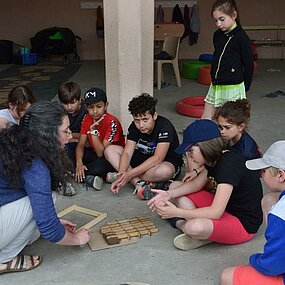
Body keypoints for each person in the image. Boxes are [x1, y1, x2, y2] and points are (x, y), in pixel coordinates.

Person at [0, 101, 90, 275]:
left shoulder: (15, 142)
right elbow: (49, 227)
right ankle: (4, 259)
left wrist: (51, 220)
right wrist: (76, 239)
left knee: (40, 206)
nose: (70, 136)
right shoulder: (34, 164)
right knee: (44, 201)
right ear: (47, 135)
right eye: (65, 131)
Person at [148, 119, 263, 250]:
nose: (189, 156)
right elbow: (197, 184)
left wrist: (176, 212)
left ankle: (180, 223)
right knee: (174, 186)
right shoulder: (215, 157)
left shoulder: (229, 164)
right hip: (226, 208)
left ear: (205, 146)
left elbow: (215, 213)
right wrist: (168, 194)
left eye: (191, 151)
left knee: (194, 227)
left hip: (242, 224)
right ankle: (207, 233)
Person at [221, 141, 285, 285]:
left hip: (277, 265)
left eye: (263, 170)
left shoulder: (280, 213)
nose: (261, 175)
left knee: (227, 276)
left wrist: (255, 260)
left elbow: (272, 266)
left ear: (280, 175)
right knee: (270, 199)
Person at [105, 93, 182, 198]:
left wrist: (129, 174)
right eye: (137, 120)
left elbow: (158, 158)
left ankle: (130, 178)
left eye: (145, 120)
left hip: (165, 162)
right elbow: (127, 152)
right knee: (110, 150)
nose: (141, 125)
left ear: (154, 115)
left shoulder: (165, 126)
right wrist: (122, 172)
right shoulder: (134, 127)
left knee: (165, 171)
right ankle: (139, 183)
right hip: (143, 160)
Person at [201, 0, 254, 119]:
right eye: (215, 20)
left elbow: (249, 64)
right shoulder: (217, 35)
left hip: (233, 86)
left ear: (234, 15)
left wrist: (245, 87)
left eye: (222, 19)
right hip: (216, 84)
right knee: (205, 119)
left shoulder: (242, 38)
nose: (218, 24)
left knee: (229, 121)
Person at [74, 87, 125, 191]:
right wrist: (79, 163)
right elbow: (81, 145)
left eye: (99, 106)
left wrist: (93, 132)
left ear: (106, 105)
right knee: (69, 149)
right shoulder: (87, 118)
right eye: (91, 107)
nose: (95, 111)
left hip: (109, 158)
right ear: (86, 107)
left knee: (99, 165)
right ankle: (93, 175)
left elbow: (101, 153)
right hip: (94, 153)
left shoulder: (112, 122)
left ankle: (86, 175)